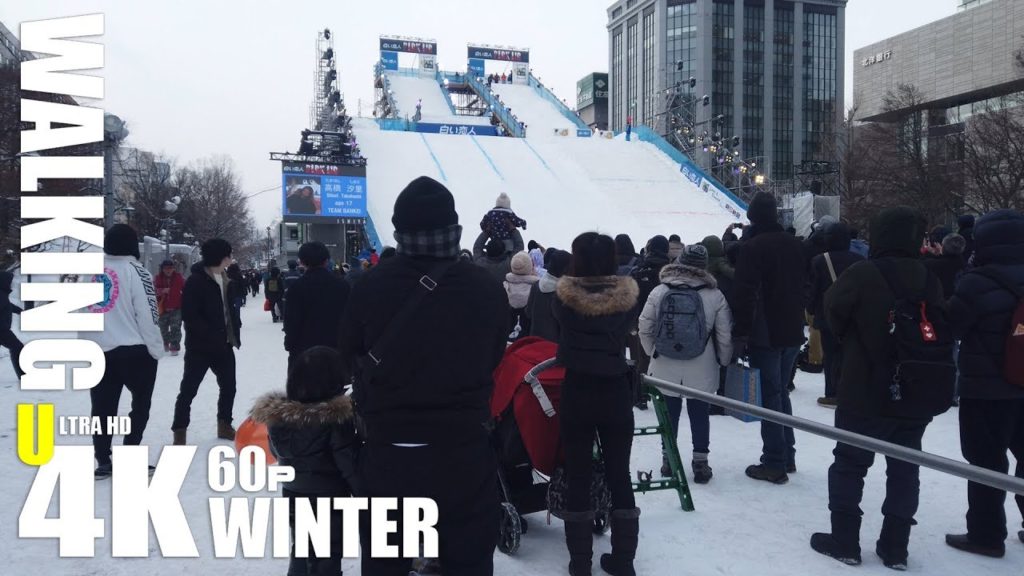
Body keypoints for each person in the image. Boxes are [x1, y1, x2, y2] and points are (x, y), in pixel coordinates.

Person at [338, 176, 508, 576]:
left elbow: (347, 356)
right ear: (455, 229)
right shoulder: (485, 288)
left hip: (389, 449)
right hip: (463, 448)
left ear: (399, 231)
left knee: (385, 561)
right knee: (468, 560)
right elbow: (494, 354)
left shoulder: (370, 285)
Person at [811, 206, 944, 569]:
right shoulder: (928, 277)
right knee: (905, 466)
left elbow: (832, 310)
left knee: (850, 462)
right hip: (914, 388)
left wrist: (853, 340)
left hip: (863, 384)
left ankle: (845, 540)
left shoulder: (862, 273)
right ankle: (895, 546)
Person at [554, 232, 640, 576]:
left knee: (578, 476)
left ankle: (580, 565)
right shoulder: (628, 298)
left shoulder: (563, 300)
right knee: (620, 474)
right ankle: (624, 562)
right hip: (615, 390)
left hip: (577, 390)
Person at [945, 209, 1024, 559]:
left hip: (987, 387)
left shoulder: (975, 282)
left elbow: (951, 328)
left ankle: (986, 533)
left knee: (985, 461)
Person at [250, 346, 359, 576]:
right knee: (328, 550)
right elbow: (347, 461)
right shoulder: (336, 420)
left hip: (293, 492)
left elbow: (275, 450)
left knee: (301, 545)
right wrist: (363, 490)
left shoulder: (279, 419)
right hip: (330, 498)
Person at [638, 245, 733, 484]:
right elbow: (724, 334)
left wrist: (653, 352)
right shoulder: (714, 295)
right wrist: (723, 360)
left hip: (664, 363)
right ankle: (700, 463)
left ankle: (668, 459)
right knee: (699, 413)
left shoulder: (660, 291)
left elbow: (645, 326)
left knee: (669, 413)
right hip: (702, 363)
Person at [731, 192, 806, 484]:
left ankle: (774, 460)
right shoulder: (796, 245)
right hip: (791, 328)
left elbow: (744, 294)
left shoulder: (753, 248)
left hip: (767, 332)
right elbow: (807, 285)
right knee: (780, 392)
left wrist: (740, 332)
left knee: (771, 396)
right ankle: (786, 454)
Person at [82, 224, 165, 479]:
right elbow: (148, 314)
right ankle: (130, 453)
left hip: (99, 350)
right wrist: (156, 349)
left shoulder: (89, 273)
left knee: (102, 407)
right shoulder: (136, 272)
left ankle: (104, 459)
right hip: (134, 351)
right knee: (140, 403)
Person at [171, 238, 241, 445]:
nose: (231, 258)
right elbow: (190, 316)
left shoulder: (225, 277)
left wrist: (233, 331)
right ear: (222, 256)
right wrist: (210, 336)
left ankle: (224, 425)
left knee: (229, 387)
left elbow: (228, 310)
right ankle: (179, 431)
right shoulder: (196, 281)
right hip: (200, 348)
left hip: (224, 344)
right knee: (188, 390)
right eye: (229, 254)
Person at [807, 223, 864, 407]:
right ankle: (850, 390)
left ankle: (831, 392)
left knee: (830, 354)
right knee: (849, 353)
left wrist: (811, 310)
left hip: (827, 314)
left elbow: (814, 290)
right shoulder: (859, 260)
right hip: (852, 315)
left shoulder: (819, 260)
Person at [284, 241, 351, 371]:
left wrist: (290, 344)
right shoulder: (342, 286)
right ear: (326, 260)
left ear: (302, 262)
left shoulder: (296, 288)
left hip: (304, 353)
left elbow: (291, 323)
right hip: (336, 352)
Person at [627, 236, 673, 409]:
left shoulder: (639, 269)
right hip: (668, 320)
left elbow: (631, 297)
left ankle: (641, 395)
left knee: (642, 359)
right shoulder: (672, 270)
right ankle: (667, 394)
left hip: (642, 319)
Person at [525, 248, 571, 342]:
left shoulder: (536, 285)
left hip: (534, 340)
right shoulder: (563, 293)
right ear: (565, 269)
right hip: (554, 346)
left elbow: (528, 313)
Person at [505, 251, 539, 339]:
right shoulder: (535, 288)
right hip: (527, 335)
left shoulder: (505, 285)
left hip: (506, 333)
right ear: (529, 266)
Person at [155, 259, 185, 355]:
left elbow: (186, 289)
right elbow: (152, 290)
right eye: (166, 268)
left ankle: (174, 346)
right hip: (162, 308)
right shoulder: (157, 278)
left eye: (170, 268)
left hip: (176, 307)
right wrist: (162, 291)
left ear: (173, 269)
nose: (168, 270)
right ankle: (165, 343)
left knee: (175, 327)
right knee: (162, 328)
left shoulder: (179, 278)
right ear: (162, 269)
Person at [924, 233, 967, 300]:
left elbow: (925, 263)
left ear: (944, 247)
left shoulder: (935, 265)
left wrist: (928, 253)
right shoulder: (962, 263)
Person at [0, 271, 24, 378]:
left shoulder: (2, 294)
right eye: (10, 281)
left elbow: (8, 305)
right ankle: (22, 375)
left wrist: (20, 311)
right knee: (17, 347)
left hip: (3, 330)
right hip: (2, 331)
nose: (11, 283)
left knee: (16, 347)